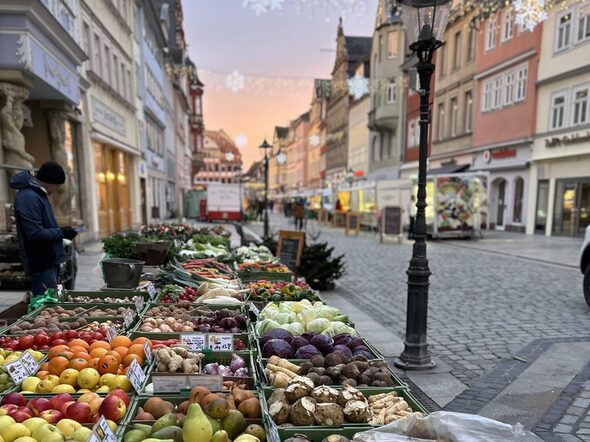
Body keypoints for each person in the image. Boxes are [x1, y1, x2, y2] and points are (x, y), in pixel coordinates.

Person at [9, 161, 78, 296]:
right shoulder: (28, 196)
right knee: (46, 303)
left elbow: (44, 225)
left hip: (49, 258)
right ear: (49, 181)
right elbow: (34, 233)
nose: (57, 189)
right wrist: (61, 232)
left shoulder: (37, 193)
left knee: (51, 300)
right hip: (42, 260)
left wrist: (61, 231)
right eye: (57, 185)